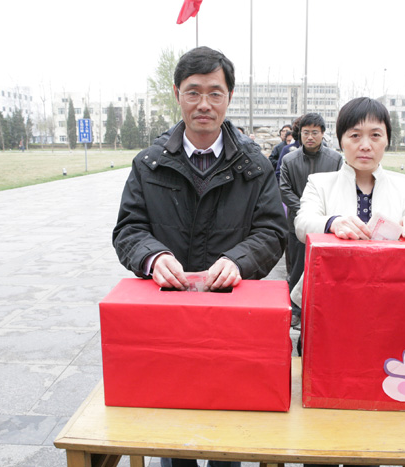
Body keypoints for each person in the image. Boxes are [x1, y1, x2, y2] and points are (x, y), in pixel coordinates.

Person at [113, 48, 288, 467]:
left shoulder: (254, 165)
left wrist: (240, 260)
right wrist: (153, 257)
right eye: (193, 92)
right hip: (168, 316)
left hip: (232, 317)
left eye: (215, 92)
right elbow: (128, 229)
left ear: (230, 97)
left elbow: (272, 231)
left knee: (228, 427)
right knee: (173, 430)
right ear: (177, 94)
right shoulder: (149, 163)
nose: (204, 104)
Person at [291, 97, 405, 367]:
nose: (365, 145)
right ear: (341, 140)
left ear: (387, 140)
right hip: (327, 303)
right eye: (355, 135)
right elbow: (302, 223)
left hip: (386, 307)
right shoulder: (320, 184)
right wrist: (332, 222)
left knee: (376, 368)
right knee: (323, 370)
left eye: (375, 135)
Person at [279, 113, 342, 332]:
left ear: (323, 134)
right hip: (297, 223)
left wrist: (321, 215)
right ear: (300, 134)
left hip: (326, 225)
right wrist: (306, 210)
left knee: (325, 267)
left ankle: (321, 308)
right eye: (306, 132)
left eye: (315, 132)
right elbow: (284, 189)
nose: (310, 137)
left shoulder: (335, 160)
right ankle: (295, 311)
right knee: (297, 266)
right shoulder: (289, 159)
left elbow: (340, 189)